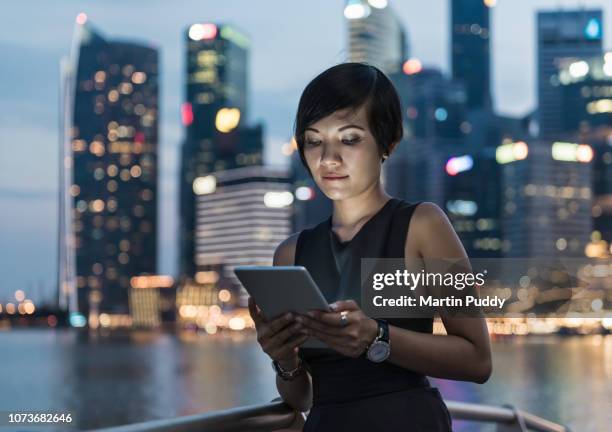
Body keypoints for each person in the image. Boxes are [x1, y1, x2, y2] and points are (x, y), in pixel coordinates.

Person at [248, 63, 492, 431]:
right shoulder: (291, 253)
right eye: (314, 141)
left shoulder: (423, 225)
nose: (328, 159)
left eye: (349, 139)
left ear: (388, 141)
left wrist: (377, 336)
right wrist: (283, 358)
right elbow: (301, 398)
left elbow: (477, 361)